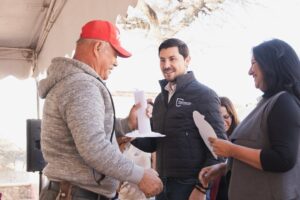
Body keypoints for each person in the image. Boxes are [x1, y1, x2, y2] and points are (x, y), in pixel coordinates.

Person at [38, 19, 162, 200]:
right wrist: (140, 175)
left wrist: (127, 123)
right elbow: (94, 146)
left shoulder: (74, 82)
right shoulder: (81, 85)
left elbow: (90, 132)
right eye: (114, 54)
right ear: (97, 48)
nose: (116, 63)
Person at [199, 38, 300, 200]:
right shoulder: (268, 102)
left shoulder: (283, 102)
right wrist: (225, 167)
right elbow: (260, 150)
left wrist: (231, 150)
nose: (250, 71)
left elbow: (283, 159)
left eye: (254, 63)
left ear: (270, 64)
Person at [131, 38, 227, 200]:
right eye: (162, 60)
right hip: (162, 186)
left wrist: (202, 188)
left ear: (187, 60)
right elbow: (153, 144)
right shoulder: (160, 100)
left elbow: (218, 149)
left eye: (172, 59)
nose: (166, 65)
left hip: (190, 187)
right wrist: (131, 131)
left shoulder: (204, 95)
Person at [209, 96, 240, 200]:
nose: (222, 122)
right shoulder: (206, 138)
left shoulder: (240, 139)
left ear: (232, 116)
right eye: (218, 117)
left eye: (226, 117)